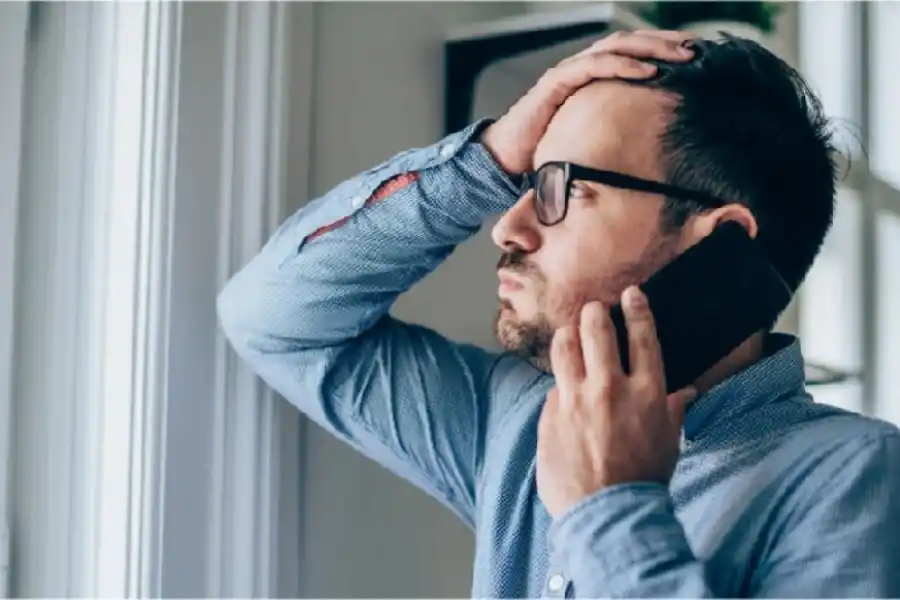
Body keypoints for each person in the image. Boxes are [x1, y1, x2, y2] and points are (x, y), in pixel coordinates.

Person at [217, 30, 900, 598]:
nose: (505, 227)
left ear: (718, 240)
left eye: (557, 188)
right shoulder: (514, 421)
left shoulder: (854, 477)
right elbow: (276, 317)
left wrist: (610, 508)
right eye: (521, 180)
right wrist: (485, 159)